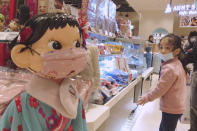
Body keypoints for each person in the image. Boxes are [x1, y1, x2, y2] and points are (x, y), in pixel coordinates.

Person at [138, 34, 188, 131]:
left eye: (167, 48)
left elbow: (160, 89)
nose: (163, 51)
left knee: (166, 128)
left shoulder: (170, 68)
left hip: (172, 107)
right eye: (161, 47)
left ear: (177, 51)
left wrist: (147, 97)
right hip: (177, 105)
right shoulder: (177, 63)